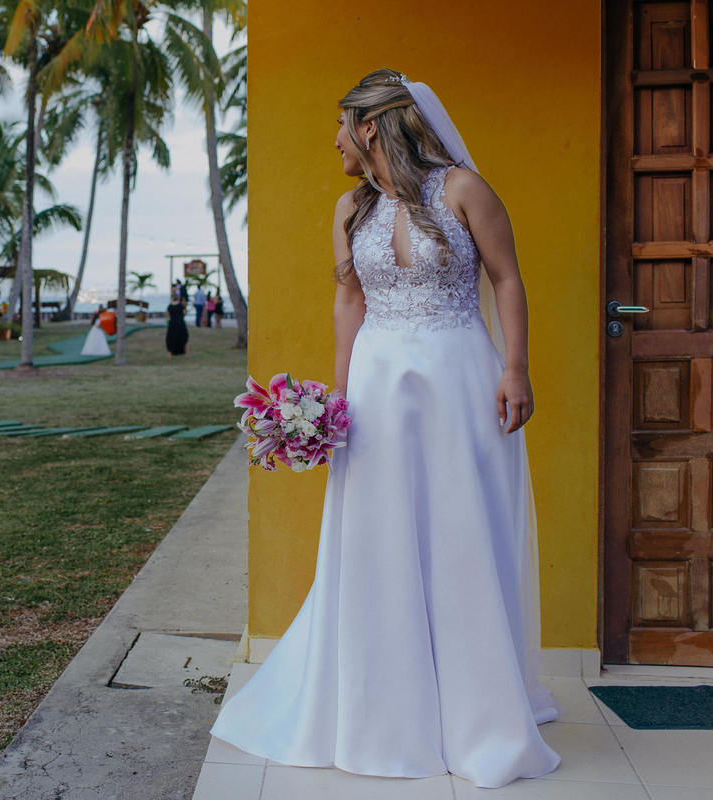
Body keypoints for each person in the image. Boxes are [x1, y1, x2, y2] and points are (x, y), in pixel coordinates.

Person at [209, 69, 560, 789]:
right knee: (379, 536)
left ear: (370, 128)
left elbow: (507, 280)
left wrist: (516, 370)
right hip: (376, 386)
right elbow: (349, 301)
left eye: (342, 126)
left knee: (461, 533)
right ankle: (382, 704)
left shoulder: (464, 189)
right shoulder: (349, 208)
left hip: (461, 378)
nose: (334, 141)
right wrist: (338, 393)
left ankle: (478, 713)